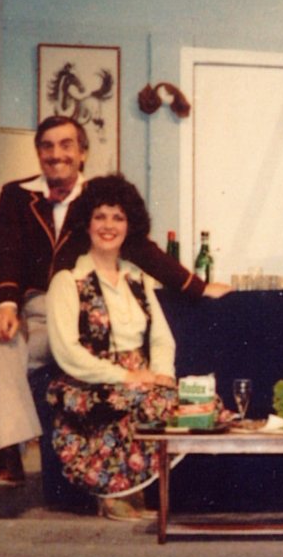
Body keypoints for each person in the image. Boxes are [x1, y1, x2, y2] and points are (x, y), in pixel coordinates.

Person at [0, 116, 227, 517]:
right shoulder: (16, 195)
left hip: (72, 310)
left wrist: (197, 286)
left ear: (82, 153)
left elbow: (141, 248)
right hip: (23, 306)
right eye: (47, 146)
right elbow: (5, 257)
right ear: (38, 152)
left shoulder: (97, 200)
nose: (56, 154)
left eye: (66, 145)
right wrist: (5, 305)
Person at [44, 174, 185, 520]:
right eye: (100, 217)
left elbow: (162, 338)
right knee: (142, 400)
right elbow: (67, 352)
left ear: (130, 225)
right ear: (86, 223)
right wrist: (126, 376)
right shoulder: (68, 280)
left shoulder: (138, 278)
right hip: (88, 384)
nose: (109, 226)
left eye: (118, 217)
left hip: (141, 381)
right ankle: (112, 491)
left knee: (196, 405)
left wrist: (162, 375)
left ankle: (132, 486)